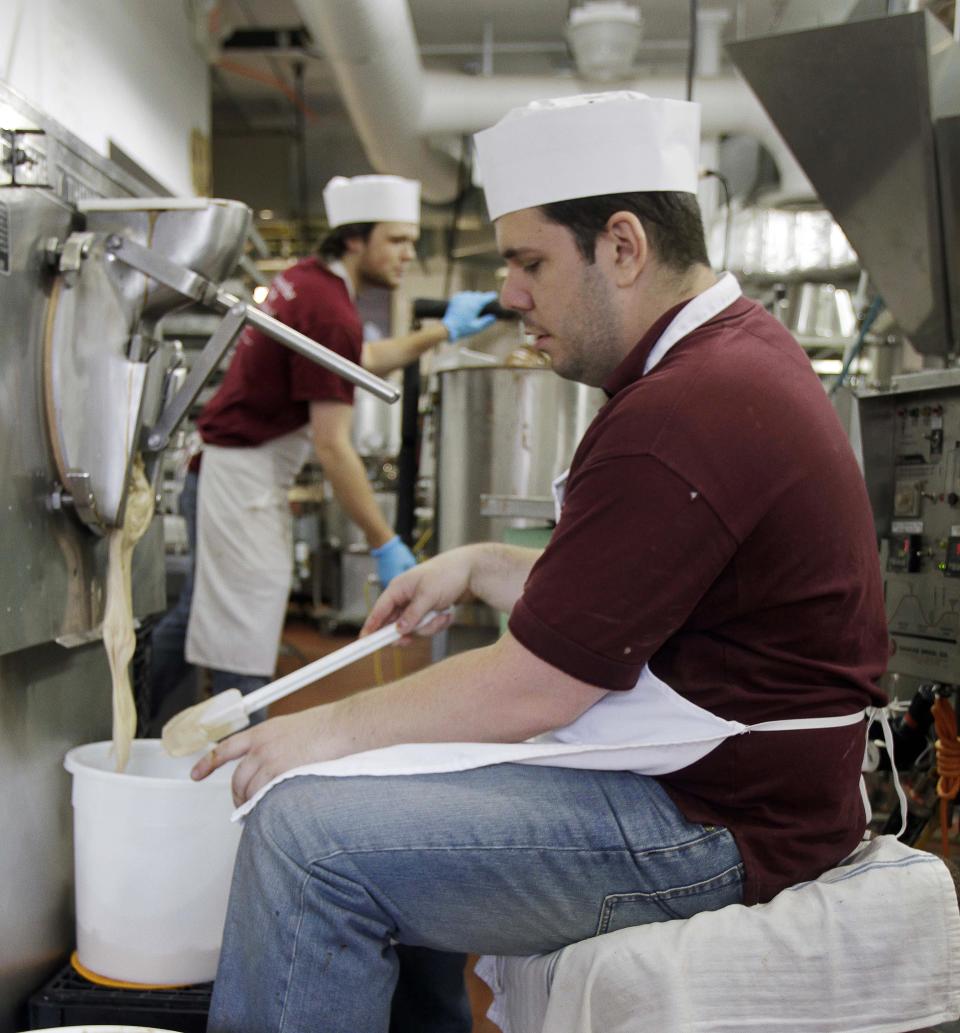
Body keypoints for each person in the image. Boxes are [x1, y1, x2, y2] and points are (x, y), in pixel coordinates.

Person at [195, 93, 889, 1033]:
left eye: (529, 262)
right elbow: (631, 598)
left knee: (304, 837)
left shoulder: (687, 408)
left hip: (720, 823)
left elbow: (536, 687)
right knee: (382, 772)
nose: (512, 293)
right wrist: (482, 563)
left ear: (623, 245)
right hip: (738, 788)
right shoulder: (730, 358)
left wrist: (316, 733)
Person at [178, 174, 496, 704]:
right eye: (397, 240)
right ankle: (236, 766)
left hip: (226, 467)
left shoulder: (309, 280)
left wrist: (444, 331)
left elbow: (358, 361)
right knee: (242, 635)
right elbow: (332, 446)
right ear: (355, 238)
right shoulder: (329, 309)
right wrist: (384, 541)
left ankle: (148, 732)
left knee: (198, 616)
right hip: (242, 478)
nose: (408, 255)